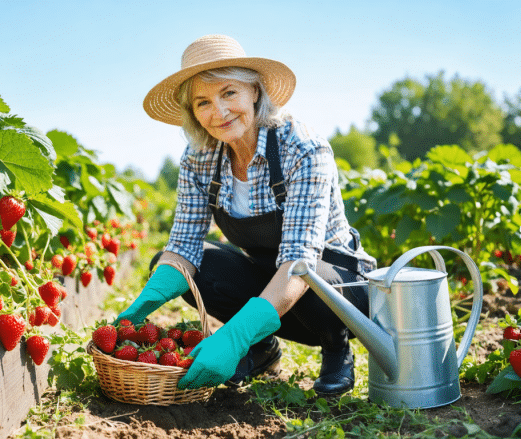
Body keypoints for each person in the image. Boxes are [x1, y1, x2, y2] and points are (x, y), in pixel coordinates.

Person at [117, 34, 377, 395]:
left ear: (254, 91)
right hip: (274, 279)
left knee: (308, 275)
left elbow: (298, 262)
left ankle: (336, 350)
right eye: (202, 102)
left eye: (228, 93)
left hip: (336, 291)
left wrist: (231, 336)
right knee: (182, 267)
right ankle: (262, 347)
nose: (218, 112)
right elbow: (183, 244)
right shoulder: (199, 159)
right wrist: (140, 307)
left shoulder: (302, 148)